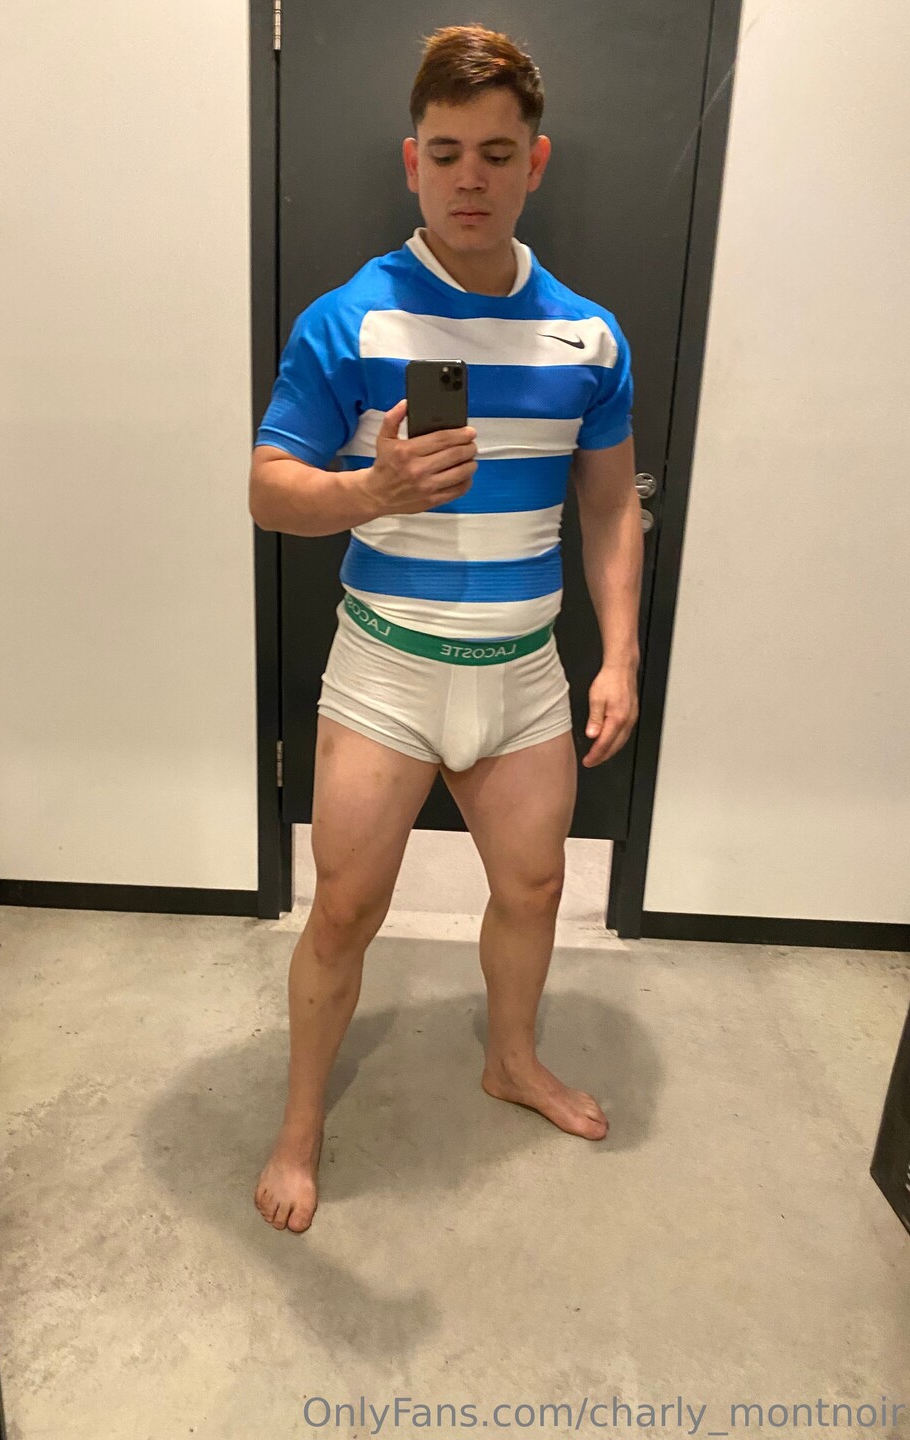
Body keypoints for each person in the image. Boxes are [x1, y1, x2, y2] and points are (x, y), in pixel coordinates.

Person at [248, 24, 643, 1233]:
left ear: (537, 162)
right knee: (343, 911)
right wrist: (369, 492)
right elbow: (269, 490)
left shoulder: (589, 336)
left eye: (497, 153)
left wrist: (620, 655)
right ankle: (300, 1125)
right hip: (388, 670)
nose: (471, 177)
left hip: (525, 673)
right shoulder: (347, 320)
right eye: (447, 151)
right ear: (411, 160)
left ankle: (510, 1060)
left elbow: (609, 505)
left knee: (534, 886)